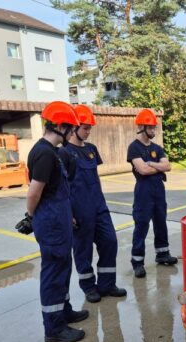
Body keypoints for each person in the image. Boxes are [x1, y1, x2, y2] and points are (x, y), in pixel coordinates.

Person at [15, 101, 87, 342]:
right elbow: (34, 192)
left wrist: (70, 215)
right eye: (69, 128)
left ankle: (63, 311)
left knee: (63, 268)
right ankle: (54, 328)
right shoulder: (45, 153)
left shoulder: (53, 152)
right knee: (54, 271)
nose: (71, 133)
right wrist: (31, 217)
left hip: (60, 219)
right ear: (59, 126)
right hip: (51, 222)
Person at [58, 105, 127, 303]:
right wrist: (69, 213)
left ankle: (107, 284)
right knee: (83, 249)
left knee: (110, 241)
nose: (88, 132)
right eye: (85, 128)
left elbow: (94, 176)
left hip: (99, 206)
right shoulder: (64, 153)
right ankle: (89, 287)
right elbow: (63, 186)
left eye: (90, 128)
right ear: (75, 127)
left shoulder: (91, 149)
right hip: (79, 210)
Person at [127, 108, 178, 279]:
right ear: (141, 127)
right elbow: (142, 170)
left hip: (158, 189)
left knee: (160, 222)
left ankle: (162, 253)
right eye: (151, 128)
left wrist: (152, 164)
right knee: (141, 225)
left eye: (154, 128)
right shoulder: (134, 147)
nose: (154, 131)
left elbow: (168, 166)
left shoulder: (157, 147)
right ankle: (137, 262)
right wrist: (156, 166)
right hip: (143, 191)